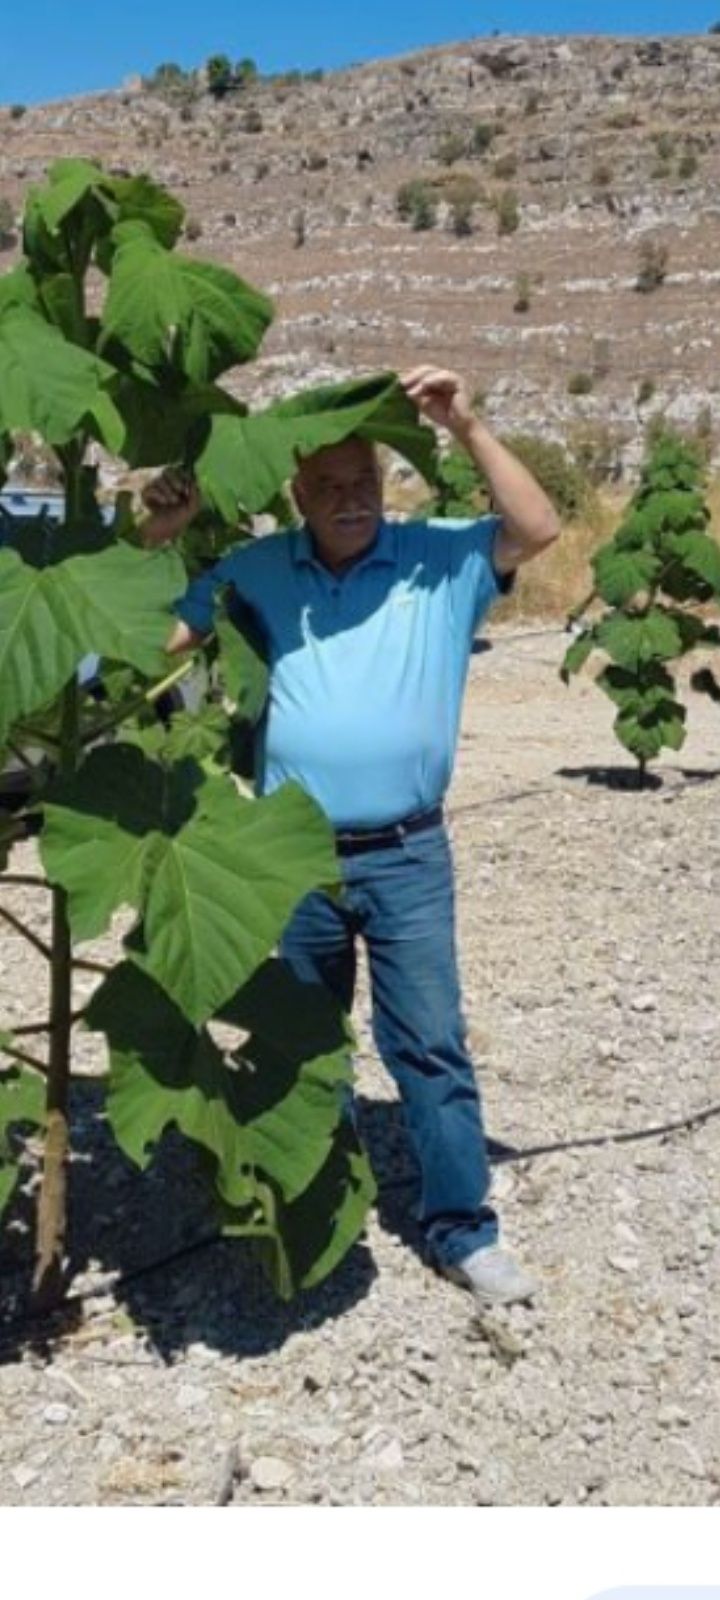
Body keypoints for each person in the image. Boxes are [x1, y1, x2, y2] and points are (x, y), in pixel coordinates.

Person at [142, 365, 561, 1308]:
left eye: (363, 481)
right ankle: (311, 1203)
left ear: (384, 482)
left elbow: (538, 531)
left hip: (409, 853)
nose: (349, 499)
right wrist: (157, 538)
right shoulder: (258, 568)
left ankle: (463, 1229)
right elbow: (155, 641)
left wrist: (465, 422)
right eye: (326, 485)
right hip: (294, 857)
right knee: (300, 1043)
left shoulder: (439, 560)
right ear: (296, 494)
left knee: (430, 1047)